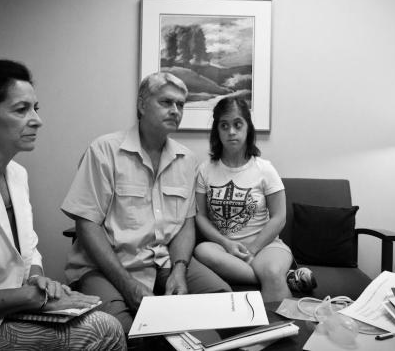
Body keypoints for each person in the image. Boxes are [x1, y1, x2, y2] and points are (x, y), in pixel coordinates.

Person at [0, 60, 126, 351]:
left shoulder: (17, 175)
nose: (37, 120)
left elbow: (27, 249)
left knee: (102, 318)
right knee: (102, 329)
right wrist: (32, 298)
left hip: (12, 310)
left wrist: (38, 280)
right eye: (21, 110)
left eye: (35, 108)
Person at [61, 71, 231, 334]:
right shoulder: (104, 150)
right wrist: (127, 284)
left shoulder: (186, 159)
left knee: (224, 302)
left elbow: (185, 224)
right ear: (141, 105)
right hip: (106, 266)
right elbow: (87, 225)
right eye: (166, 102)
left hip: (163, 261)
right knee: (120, 330)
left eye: (180, 105)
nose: (175, 110)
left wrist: (179, 269)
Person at [194, 97, 316, 302]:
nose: (231, 131)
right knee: (201, 250)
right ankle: (285, 277)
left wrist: (253, 249)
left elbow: (279, 217)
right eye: (224, 125)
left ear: (248, 127)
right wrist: (226, 244)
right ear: (217, 130)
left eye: (237, 124)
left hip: (266, 246)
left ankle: (274, 277)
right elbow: (201, 217)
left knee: (271, 271)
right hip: (223, 249)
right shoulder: (205, 170)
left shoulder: (265, 169)